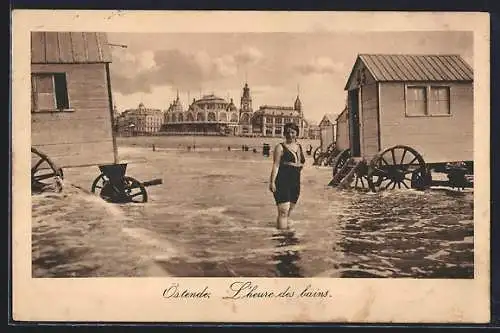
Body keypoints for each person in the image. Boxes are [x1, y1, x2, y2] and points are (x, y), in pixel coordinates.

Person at [269, 122, 306, 230]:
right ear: (284, 133)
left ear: (297, 134)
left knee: (289, 211)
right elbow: (275, 165)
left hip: (295, 183)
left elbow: (300, 164)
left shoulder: (299, 147)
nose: (290, 135)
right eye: (288, 132)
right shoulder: (279, 147)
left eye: (293, 132)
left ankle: (286, 236)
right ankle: (281, 238)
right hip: (282, 181)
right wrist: (272, 182)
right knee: (283, 211)